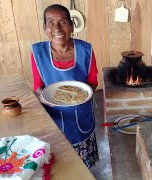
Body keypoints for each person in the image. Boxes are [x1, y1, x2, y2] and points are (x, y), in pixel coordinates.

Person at [30, 4, 99, 168]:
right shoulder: (38, 53)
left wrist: (81, 95)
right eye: (51, 23)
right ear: (44, 28)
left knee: (82, 168)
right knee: (61, 166)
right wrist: (48, 98)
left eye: (63, 22)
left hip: (81, 115)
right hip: (53, 115)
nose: (57, 28)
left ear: (72, 26)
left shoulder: (86, 50)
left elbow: (93, 82)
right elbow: (37, 86)